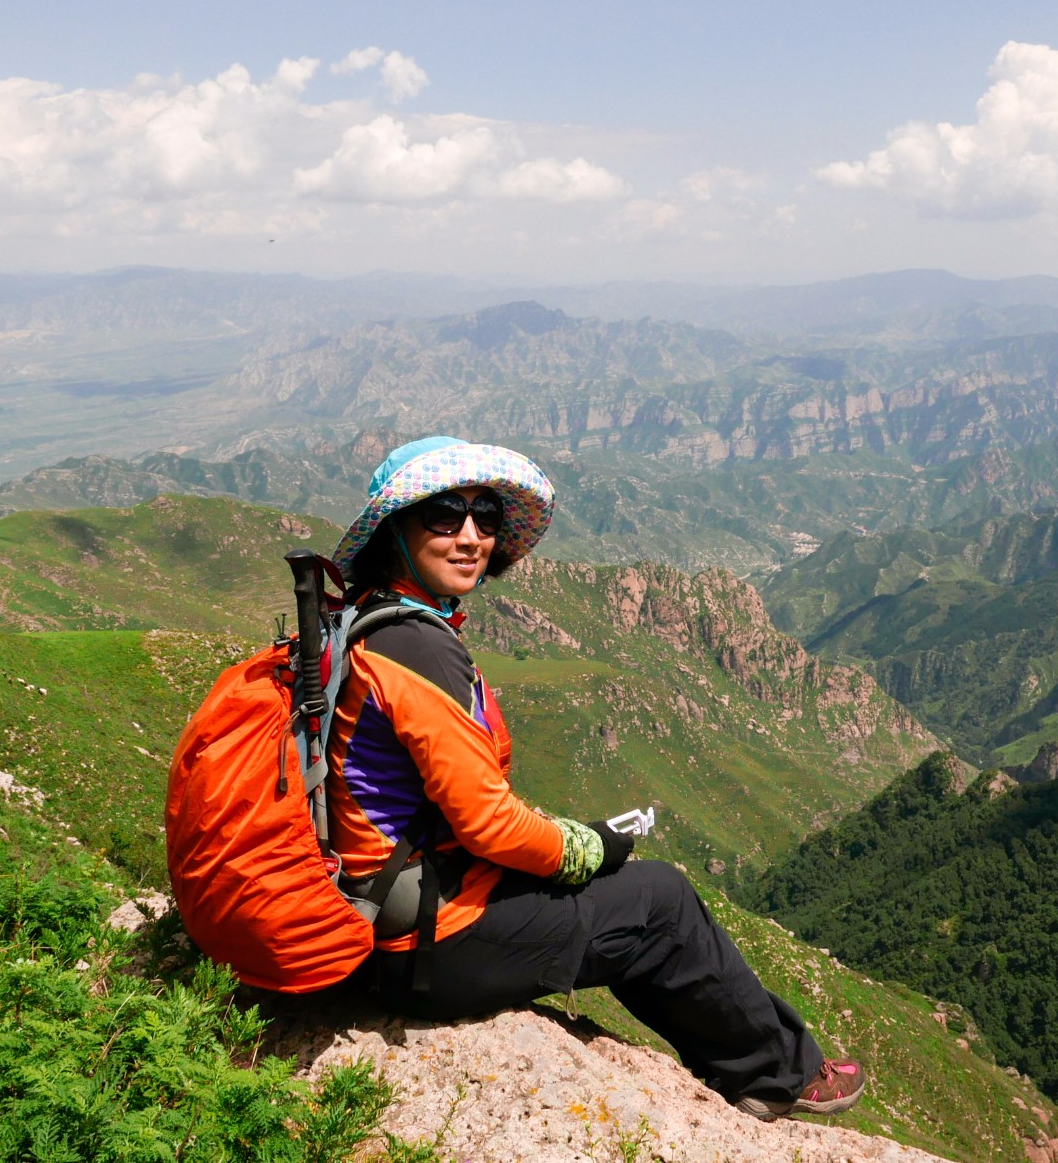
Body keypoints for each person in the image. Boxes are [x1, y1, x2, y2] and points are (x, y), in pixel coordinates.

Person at [323, 435, 866, 1119]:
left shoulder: (370, 621)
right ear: (396, 529)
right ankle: (779, 1074)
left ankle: (753, 1064)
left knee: (631, 900)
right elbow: (487, 821)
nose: (470, 536)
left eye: (485, 516)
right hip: (429, 944)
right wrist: (581, 847)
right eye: (442, 515)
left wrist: (566, 845)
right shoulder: (415, 647)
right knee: (660, 900)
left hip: (402, 907)